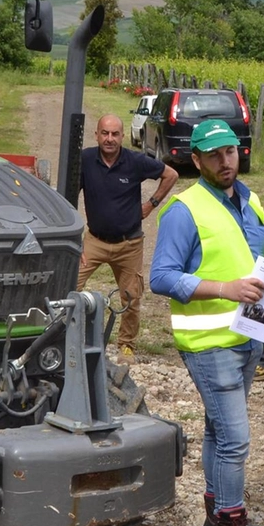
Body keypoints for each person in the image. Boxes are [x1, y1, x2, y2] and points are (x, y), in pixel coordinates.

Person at [148, 119, 264, 526]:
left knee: (217, 433)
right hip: (208, 344)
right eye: (214, 155)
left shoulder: (253, 202)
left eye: (231, 152)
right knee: (235, 440)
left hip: (246, 337)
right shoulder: (184, 210)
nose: (226, 161)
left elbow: (260, 263)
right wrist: (224, 287)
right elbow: (160, 277)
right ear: (196, 160)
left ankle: (214, 520)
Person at [77, 113, 178, 362]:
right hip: (95, 240)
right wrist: (71, 239)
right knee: (69, 285)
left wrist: (151, 204)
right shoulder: (85, 160)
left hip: (129, 243)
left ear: (122, 136)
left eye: (114, 134)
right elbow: (67, 195)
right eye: (105, 133)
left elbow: (171, 174)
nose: (109, 139)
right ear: (97, 135)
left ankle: (126, 346)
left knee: (131, 298)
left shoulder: (135, 161)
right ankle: (68, 336)